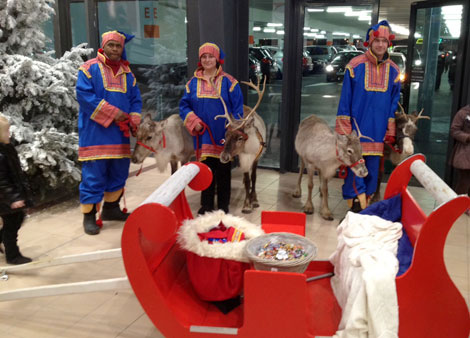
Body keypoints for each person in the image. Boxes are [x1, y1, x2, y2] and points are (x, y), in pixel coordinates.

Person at [76, 31, 142, 235]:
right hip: (95, 134)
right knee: (94, 175)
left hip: (120, 135)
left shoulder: (127, 73)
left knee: (119, 171)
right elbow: (84, 96)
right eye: (111, 45)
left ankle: (111, 209)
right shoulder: (88, 69)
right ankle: (89, 216)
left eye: (118, 46)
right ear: (103, 46)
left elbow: (135, 98)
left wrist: (134, 115)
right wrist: (114, 113)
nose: (115, 49)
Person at [335, 20, 401, 212]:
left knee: (372, 173)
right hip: (356, 132)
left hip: (378, 133)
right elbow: (345, 100)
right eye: (377, 40)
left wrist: (390, 129)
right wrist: (344, 130)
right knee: (354, 173)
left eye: (384, 41)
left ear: (389, 43)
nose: (380, 44)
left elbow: (393, 104)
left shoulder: (395, 71)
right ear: (369, 42)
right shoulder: (354, 66)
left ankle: (365, 210)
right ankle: (355, 211)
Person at [179, 42, 244, 215]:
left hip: (224, 136)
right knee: (205, 171)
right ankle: (206, 205)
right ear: (200, 60)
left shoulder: (230, 83)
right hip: (204, 136)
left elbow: (238, 109)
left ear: (217, 59)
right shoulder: (192, 84)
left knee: (223, 172)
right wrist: (194, 121)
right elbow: (184, 107)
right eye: (204, 57)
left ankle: (223, 206)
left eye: (211, 56)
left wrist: (234, 126)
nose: (207, 60)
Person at [0, 116, 33, 265]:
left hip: (9, 195)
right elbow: (2, 181)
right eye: (6, 132)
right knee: (11, 225)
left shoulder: (6, 148)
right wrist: (13, 198)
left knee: (17, 219)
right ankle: (12, 256)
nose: (10, 134)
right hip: (5, 198)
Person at [449, 105, 470, 215]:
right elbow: (454, 130)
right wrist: (467, 137)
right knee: (464, 180)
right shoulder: (463, 112)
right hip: (465, 153)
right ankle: (459, 205)